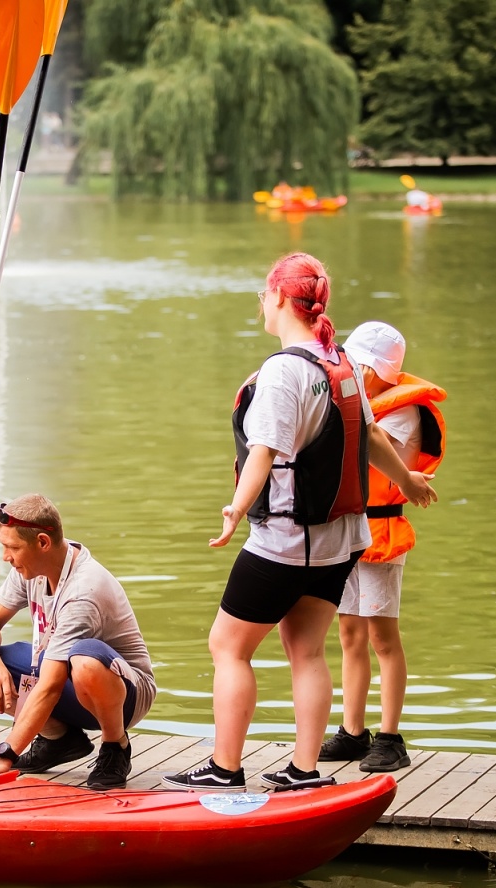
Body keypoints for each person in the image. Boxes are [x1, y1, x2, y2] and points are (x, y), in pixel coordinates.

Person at [162, 253, 437, 793]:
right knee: (307, 650)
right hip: (341, 542)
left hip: (285, 540)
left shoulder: (285, 370)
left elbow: (264, 450)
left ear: (283, 299)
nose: (261, 305)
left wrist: (235, 510)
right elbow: (373, 437)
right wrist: (407, 480)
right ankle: (304, 771)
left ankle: (224, 767)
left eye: (264, 296)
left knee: (228, 646)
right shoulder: (344, 363)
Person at [0, 495, 156, 791]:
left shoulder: (84, 591)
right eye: (4, 546)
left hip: (124, 695)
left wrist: (6, 754)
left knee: (85, 660)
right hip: (64, 677)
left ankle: (115, 746)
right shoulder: (33, 565)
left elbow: (49, 687)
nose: (5, 557)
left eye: (12, 548)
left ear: (43, 542)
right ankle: (59, 739)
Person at [324, 322, 446, 774]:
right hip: (348, 531)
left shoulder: (398, 414)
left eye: (360, 364)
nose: (351, 368)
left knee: (382, 638)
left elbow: (368, 455)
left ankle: (390, 737)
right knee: (349, 634)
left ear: (379, 370)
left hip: (380, 535)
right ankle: (352, 732)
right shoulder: (364, 403)